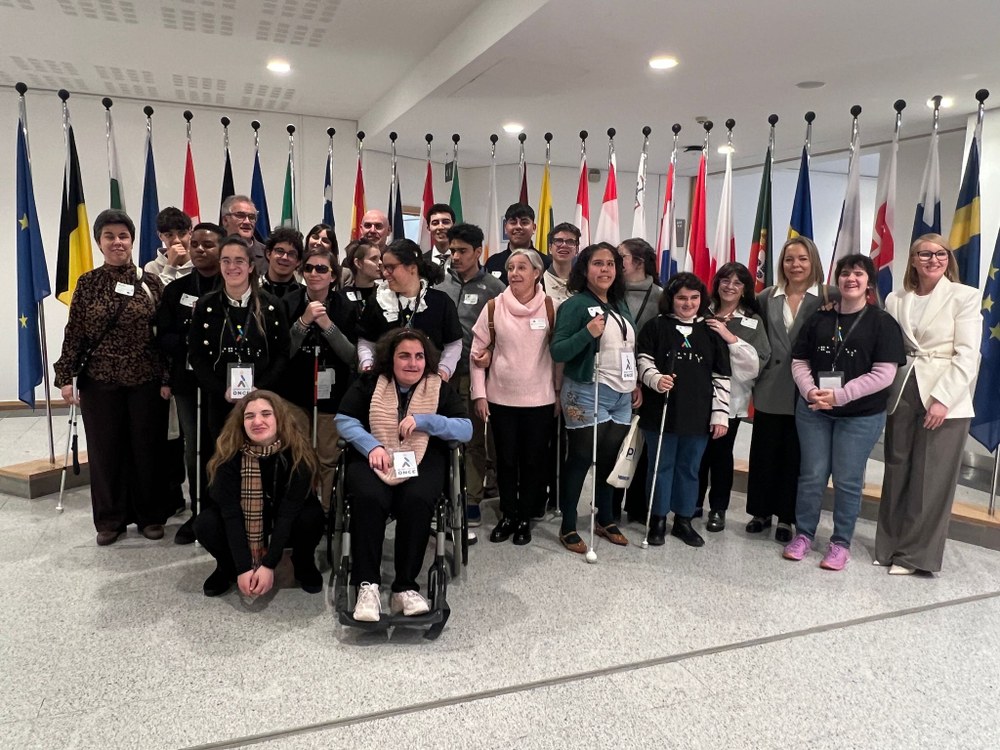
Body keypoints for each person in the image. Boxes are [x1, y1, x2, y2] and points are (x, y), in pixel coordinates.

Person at [335, 329, 472, 621]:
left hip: (422, 458)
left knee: (418, 497)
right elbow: (344, 420)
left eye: (419, 356)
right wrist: (371, 445)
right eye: (405, 356)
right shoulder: (371, 383)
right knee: (369, 496)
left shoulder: (438, 387)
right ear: (390, 359)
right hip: (376, 454)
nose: (413, 363)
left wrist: (426, 421)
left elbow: (465, 428)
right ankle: (367, 586)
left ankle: (404, 588)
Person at [53, 209, 169, 546]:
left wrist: (166, 377)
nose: (117, 242)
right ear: (99, 242)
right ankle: (110, 519)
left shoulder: (150, 283)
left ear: (132, 240)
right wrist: (65, 377)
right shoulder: (88, 284)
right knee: (105, 452)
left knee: (147, 450)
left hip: (145, 379)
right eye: (109, 236)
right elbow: (75, 333)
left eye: (123, 236)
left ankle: (150, 516)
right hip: (99, 381)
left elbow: (162, 335)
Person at [781, 254, 905, 570]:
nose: (851, 279)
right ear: (838, 280)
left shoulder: (882, 323)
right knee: (811, 476)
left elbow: (884, 374)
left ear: (869, 282)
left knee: (848, 481)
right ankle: (804, 535)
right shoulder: (820, 319)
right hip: (814, 410)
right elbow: (799, 361)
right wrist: (810, 391)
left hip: (860, 416)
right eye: (845, 273)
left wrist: (839, 396)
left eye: (858, 274)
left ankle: (840, 544)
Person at [876, 234, 981, 575]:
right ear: (913, 259)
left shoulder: (964, 296)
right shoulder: (896, 298)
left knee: (930, 479)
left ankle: (914, 556)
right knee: (896, 468)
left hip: (944, 395)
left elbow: (968, 355)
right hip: (904, 388)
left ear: (948, 258)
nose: (933, 259)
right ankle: (888, 545)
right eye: (925, 253)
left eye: (940, 253)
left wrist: (943, 399)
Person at [551, 242, 641, 553]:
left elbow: (627, 349)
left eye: (610, 264)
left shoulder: (620, 304)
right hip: (588, 392)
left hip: (621, 394)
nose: (604, 270)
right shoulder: (575, 305)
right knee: (579, 459)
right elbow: (558, 350)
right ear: (584, 269)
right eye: (597, 264)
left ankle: (605, 517)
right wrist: (587, 333)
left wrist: (635, 382)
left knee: (608, 459)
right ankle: (569, 526)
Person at [746, 237, 837, 542]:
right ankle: (760, 512)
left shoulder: (830, 296)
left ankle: (787, 517)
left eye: (802, 259)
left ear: (813, 262)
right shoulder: (766, 296)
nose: (795, 265)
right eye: (788, 259)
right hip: (771, 386)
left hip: (808, 387)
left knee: (796, 457)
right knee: (764, 453)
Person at [196, 390, 324, 597]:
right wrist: (243, 568)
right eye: (249, 416)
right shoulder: (227, 456)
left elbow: (287, 514)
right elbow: (231, 514)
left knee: (311, 517)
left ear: (279, 419)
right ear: (241, 422)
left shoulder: (298, 455)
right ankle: (226, 568)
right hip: (244, 519)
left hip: (286, 517)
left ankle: (303, 562)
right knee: (205, 523)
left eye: (266, 414)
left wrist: (268, 566)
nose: (257, 421)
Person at [470, 249, 558, 545]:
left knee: (533, 461)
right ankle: (508, 513)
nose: (515, 273)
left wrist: (558, 393)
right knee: (505, 460)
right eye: (510, 267)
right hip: (500, 399)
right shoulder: (494, 307)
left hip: (540, 400)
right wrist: (479, 395)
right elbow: (476, 353)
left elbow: (558, 358)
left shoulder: (550, 306)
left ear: (537, 273)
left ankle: (525, 517)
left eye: (522, 267)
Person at [637, 272, 731, 548]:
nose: (688, 303)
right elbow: (642, 359)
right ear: (671, 299)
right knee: (660, 467)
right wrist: (655, 379)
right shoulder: (656, 327)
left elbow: (722, 376)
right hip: (661, 413)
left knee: (690, 469)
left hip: (698, 415)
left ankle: (683, 520)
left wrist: (720, 414)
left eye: (694, 298)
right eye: (681, 298)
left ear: (701, 299)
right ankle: (657, 519)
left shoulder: (712, 331)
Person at [156, 221, 225, 544]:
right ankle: (199, 512)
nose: (199, 249)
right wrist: (191, 338)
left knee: (222, 447)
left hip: (225, 383)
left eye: (208, 245)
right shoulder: (176, 290)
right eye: (195, 243)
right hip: (188, 382)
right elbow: (164, 336)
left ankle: (224, 509)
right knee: (194, 448)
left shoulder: (232, 287)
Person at [188, 235, 291, 444]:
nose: (232, 266)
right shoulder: (205, 307)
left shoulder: (272, 305)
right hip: (220, 400)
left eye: (239, 261)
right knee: (223, 459)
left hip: (263, 401)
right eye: (226, 260)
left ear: (251, 266)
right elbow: (197, 356)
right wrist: (220, 390)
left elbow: (282, 354)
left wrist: (260, 389)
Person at [435, 223, 504, 527]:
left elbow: (506, 333)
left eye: (463, 251)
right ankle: (443, 495)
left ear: (478, 251)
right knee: (440, 438)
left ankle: (471, 499)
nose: (456, 256)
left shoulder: (494, 289)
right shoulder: (439, 285)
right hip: (440, 376)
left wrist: (492, 353)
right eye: (452, 251)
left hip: (475, 375)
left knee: (473, 440)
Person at [282, 243, 359, 507]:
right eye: (309, 268)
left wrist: (327, 326)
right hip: (295, 394)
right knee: (298, 457)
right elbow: (283, 352)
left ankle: (328, 512)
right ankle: (300, 514)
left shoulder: (346, 307)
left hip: (332, 394)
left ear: (333, 275)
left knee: (328, 458)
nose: (314, 273)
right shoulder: (289, 302)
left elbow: (352, 357)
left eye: (322, 269)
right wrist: (303, 323)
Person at [696, 262, 771, 531]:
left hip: (731, 400)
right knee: (698, 454)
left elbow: (757, 364)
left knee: (720, 455)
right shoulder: (700, 311)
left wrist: (729, 337)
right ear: (716, 283)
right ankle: (693, 504)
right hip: (698, 397)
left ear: (745, 290)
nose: (730, 286)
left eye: (737, 283)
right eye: (725, 280)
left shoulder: (752, 321)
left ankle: (717, 509)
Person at [356, 239, 462, 379]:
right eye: (384, 267)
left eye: (391, 267)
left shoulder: (441, 302)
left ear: (412, 267)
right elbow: (366, 341)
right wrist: (367, 363)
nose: (385, 273)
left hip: (429, 382)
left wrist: (444, 370)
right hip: (385, 382)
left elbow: (453, 343)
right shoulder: (378, 301)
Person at [484, 203, 551, 285]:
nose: (518, 227)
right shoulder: (493, 262)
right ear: (505, 228)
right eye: (513, 222)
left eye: (524, 222)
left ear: (534, 228)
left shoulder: (546, 263)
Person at [618, 237, 663, 332]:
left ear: (639, 262)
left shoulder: (661, 295)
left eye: (622, 257)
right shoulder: (610, 291)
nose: (615, 261)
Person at [144, 206, 194, 284]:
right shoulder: (152, 267)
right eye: (169, 235)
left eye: (182, 234)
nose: (177, 240)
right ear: (160, 236)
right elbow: (157, 295)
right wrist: (170, 266)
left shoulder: (200, 263)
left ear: (190, 233)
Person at [221, 195, 267, 273]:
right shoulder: (215, 253)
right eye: (240, 216)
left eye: (252, 217)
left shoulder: (268, 255)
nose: (247, 222)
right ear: (225, 220)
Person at [542, 222, 580, 308]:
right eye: (558, 241)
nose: (564, 245)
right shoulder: (538, 283)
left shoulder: (583, 283)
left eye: (570, 242)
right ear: (550, 248)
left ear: (577, 250)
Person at [261, 226, 304, 299]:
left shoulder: (304, 295)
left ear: (298, 261)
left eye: (291, 254)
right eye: (280, 251)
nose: (285, 257)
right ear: (268, 254)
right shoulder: (250, 290)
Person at [341, 239, 382, 311]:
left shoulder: (386, 295)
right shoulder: (341, 298)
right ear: (358, 263)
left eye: (380, 258)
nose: (380, 262)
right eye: (374, 259)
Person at [305, 222, 343, 288]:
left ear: (332, 247)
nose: (319, 242)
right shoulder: (294, 269)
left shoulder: (344, 274)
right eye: (315, 237)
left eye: (325, 241)